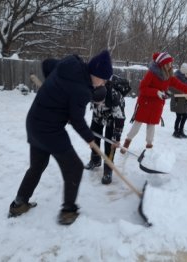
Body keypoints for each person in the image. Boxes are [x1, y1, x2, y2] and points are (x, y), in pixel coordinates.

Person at [8, 50, 113, 225]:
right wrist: (91, 140)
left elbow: (47, 63)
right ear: (95, 74)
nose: (102, 83)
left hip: (34, 122)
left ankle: (19, 203)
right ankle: (68, 211)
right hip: (50, 130)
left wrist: (56, 94)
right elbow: (78, 121)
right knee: (75, 168)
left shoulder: (70, 64)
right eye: (102, 79)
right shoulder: (83, 91)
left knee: (37, 166)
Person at [121, 52, 187, 153]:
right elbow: (142, 88)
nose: (171, 65)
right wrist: (156, 92)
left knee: (151, 126)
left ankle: (149, 148)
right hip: (145, 104)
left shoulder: (169, 76)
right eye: (169, 63)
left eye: (171, 63)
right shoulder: (151, 73)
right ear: (163, 64)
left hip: (157, 105)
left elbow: (181, 86)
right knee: (137, 125)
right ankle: (127, 142)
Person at [84, 74, 131, 185]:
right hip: (97, 116)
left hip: (112, 118)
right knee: (93, 139)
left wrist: (116, 138)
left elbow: (120, 118)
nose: (97, 103)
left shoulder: (115, 96)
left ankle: (108, 169)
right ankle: (95, 160)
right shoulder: (91, 89)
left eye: (99, 102)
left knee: (110, 144)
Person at [169, 62, 187, 138]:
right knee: (179, 116)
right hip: (177, 101)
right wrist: (181, 92)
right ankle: (176, 131)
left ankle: (180, 131)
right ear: (184, 72)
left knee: (185, 116)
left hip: (183, 102)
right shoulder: (175, 78)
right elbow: (171, 88)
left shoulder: (185, 79)